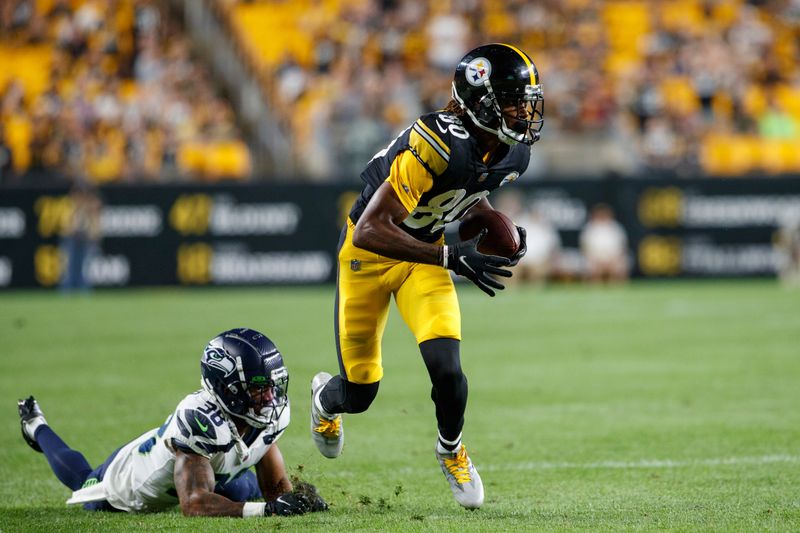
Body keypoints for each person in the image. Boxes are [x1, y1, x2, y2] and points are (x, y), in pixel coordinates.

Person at [309, 43, 543, 509]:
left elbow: (466, 195)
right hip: (368, 255)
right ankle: (324, 401)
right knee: (360, 392)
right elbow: (374, 229)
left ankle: (451, 449)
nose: (525, 109)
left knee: (449, 371)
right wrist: (452, 257)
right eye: (513, 97)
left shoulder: (512, 156)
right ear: (481, 100)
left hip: (424, 256)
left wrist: (495, 229)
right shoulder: (438, 141)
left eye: (527, 98)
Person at [18, 327, 327, 518]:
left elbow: (270, 475)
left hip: (212, 468)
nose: (270, 397)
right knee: (83, 479)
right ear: (226, 387)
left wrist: (288, 498)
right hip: (130, 482)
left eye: (273, 385)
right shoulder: (200, 419)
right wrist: (268, 510)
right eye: (259, 387)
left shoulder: (267, 413)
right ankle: (37, 426)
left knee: (242, 491)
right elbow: (193, 504)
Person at [579, 203, 629, 283]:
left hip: (613, 259)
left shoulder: (616, 228)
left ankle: (617, 288)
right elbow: (585, 248)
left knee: (622, 263)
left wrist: (612, 260)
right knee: (590, 266)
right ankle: (594, 288)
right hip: (595, 260)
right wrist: (597, 261)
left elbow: (623, 248)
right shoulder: (589, 228)